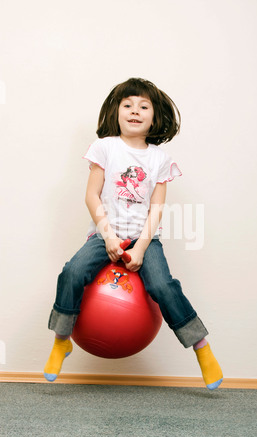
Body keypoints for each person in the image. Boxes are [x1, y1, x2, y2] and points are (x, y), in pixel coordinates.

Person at [44, 77, 223, 390]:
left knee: (164, 286)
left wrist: (140, 248)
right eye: (127, 105)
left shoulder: (160, 160)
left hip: (145, 240)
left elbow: (156, 209)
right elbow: (91, 196)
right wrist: (109, 237)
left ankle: (201, 347)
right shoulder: (104, 148)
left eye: (143, 106)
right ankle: (62, 341)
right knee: (72, 272)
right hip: (104, 236)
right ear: (116, 111)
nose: (135, 111)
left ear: (155, 116)